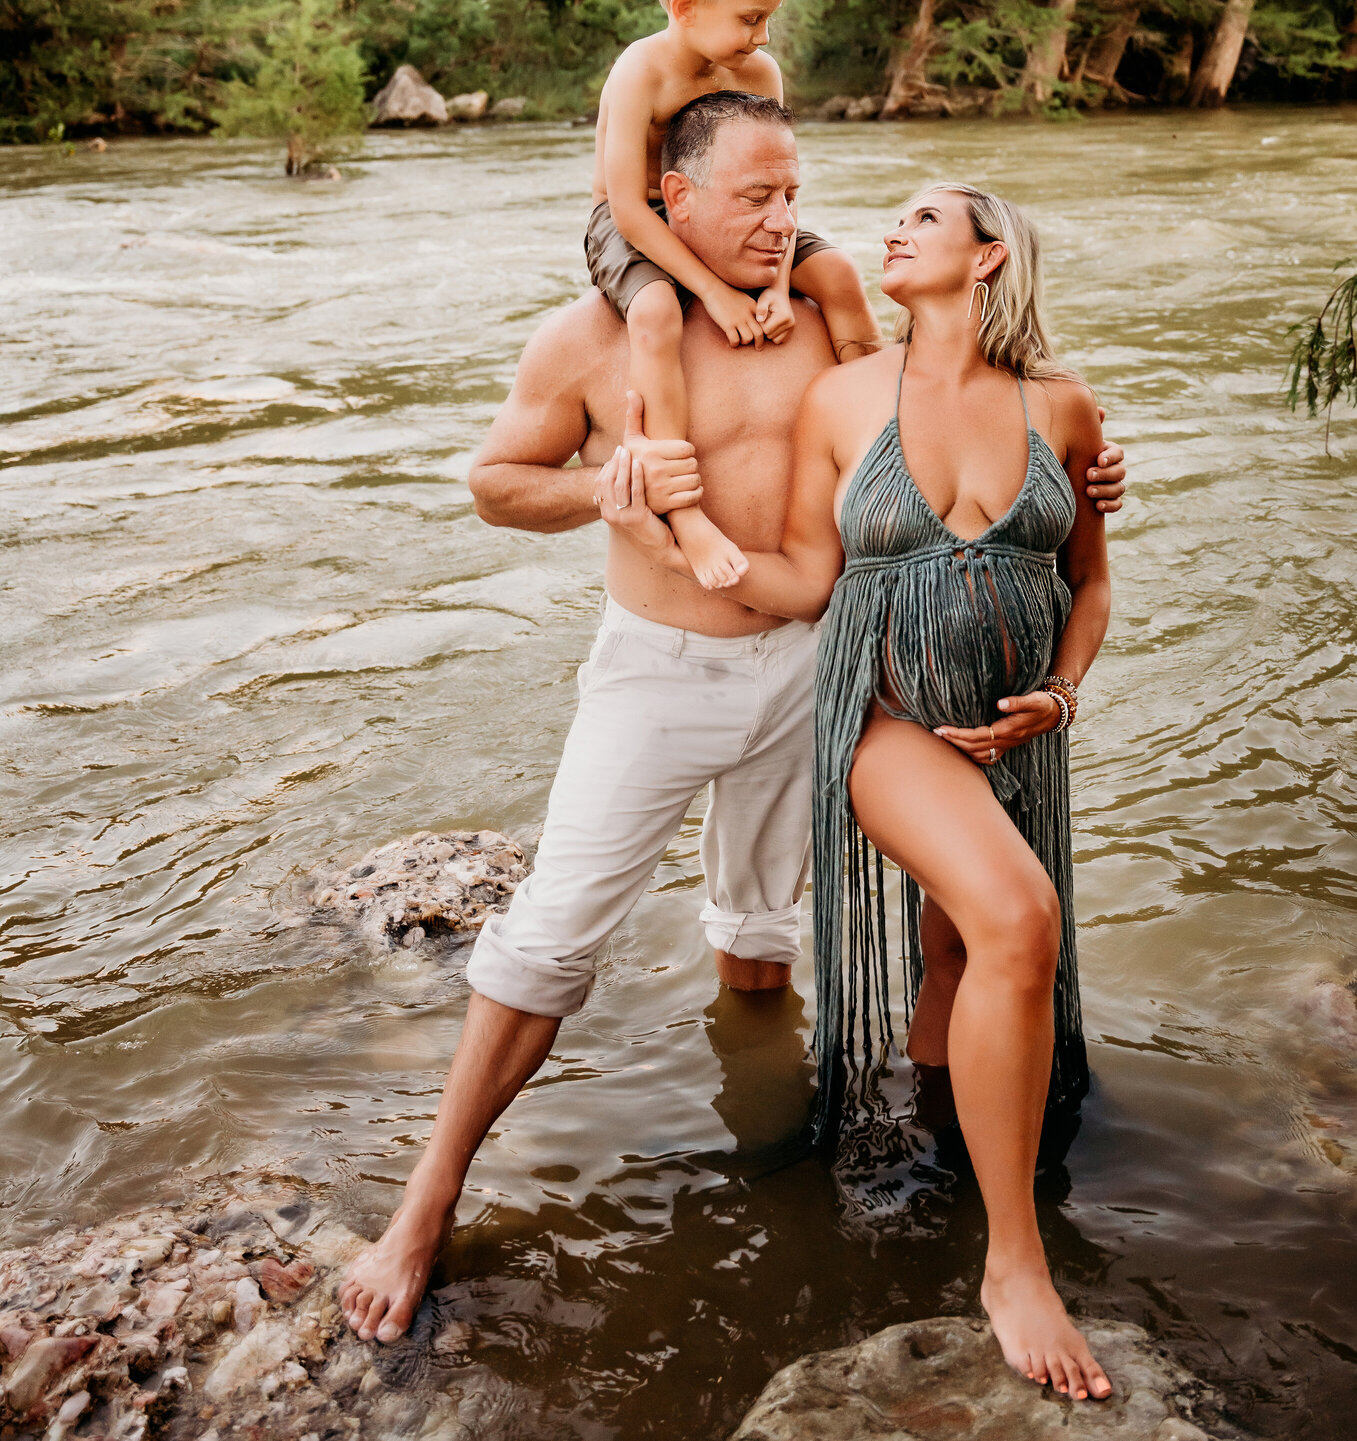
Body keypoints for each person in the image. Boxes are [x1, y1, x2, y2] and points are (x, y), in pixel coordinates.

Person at [337, 95, 1127, 1347]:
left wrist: (1082, 474)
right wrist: (612, 482)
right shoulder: (596, 336)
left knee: (763, 933)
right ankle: (424, 1203)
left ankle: (781, 1124)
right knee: (550, 936)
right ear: (675, 200)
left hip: (820, 668)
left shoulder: (827, 323)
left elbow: (962, 427)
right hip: (660, 671)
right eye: (752, 197)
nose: (783, 219)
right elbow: (494, 482)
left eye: (791, 192)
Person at [598, 181, 1113, 1403]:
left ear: (987, 257)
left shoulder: (1065, 407)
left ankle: (938, 1150)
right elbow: (802, 573)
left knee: (958, 949)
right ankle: (1015, 1262)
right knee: (1017, 920)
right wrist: (674, 531)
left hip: (1015, 728)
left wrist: (1064, 693)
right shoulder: (843, 397)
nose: (892, 229)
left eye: (924, 219)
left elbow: (1089, 582)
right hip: (881, 718)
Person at [587, 0, 879, 591]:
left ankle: (879, 445)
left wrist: (778, 286)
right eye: (751, 18)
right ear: (686, 6)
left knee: (835, 271)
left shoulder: (759, 74)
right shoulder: (641, 73)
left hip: (737, 217)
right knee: (657, 314)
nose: (763, 33)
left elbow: (778, 187)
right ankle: (684, 509)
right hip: (635, 220)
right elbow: (626, 205)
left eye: (768, 17)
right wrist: (716, 292)